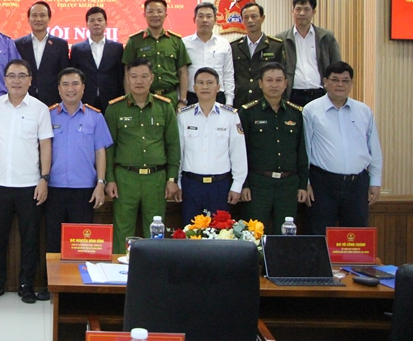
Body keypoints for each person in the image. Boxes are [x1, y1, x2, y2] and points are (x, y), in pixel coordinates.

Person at [0, 59, 52, 304]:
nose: (16, 80)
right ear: (4, 80)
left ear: (30, 80)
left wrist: (44, 178)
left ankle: (26, 285)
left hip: (29, 185)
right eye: (11, 76)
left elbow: (45, 146)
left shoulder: (40, 109)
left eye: (22, 76)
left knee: (30, 240)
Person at [105, 58, 180, 246]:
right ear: (127, 79)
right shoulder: (115, 108)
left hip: (156, 179)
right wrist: (110, 179)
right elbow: (108, 148)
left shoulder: (165, 107)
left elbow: (173, 145)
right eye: (134, 76)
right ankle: (121, 266)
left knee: (155, 233)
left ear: (152, 78)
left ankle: (152, 266)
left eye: (144, 76)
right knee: (122, 231)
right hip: (125, 178)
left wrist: (172, 178)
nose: (139, 81)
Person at [302, 61, 382, 235]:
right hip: (322, 184)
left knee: (357, 237)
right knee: (319, 235)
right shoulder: (311, 110)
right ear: (325, 82)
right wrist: (305, 182)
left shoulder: (364, 111)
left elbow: (374, 149)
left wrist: (375, 181)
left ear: (351, 83)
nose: (340, 85)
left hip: (357, 184)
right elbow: (305, 150)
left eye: (345, 81)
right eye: (335, 80)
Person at [46, 68, 112, 253]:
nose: (70, 89)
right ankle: (53, 274)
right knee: (53, 243)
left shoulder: (96, 117)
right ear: (59, 89)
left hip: (84, 190)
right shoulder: (48, 115)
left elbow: (100, 152)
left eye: (75, 84)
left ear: (83, 88)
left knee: (81, 245)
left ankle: (79, 274)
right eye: (65, 84)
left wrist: (100, 183)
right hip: (54, 189)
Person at [239, 62, 308, 234]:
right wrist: (243, 184)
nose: (274, 85)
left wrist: (303, 184)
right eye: (269, 80)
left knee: (285, 237)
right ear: (260, 83)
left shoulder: (296, 113)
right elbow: (240, 152)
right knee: (253, 234)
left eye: (278, 80)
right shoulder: (248, 112)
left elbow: (301, 151)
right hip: (258, 184)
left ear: (285, 83)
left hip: (288, 186)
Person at [177, 67, 247, 224]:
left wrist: (237, 185)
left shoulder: (230, 116)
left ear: (218, 87)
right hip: (191, 185)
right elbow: (179, 153)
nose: (205, 87)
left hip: (219, 186)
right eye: (200, 83)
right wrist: (178, 182)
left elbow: (238, 153)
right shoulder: (184, 116)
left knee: (220, 233)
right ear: (194, 87)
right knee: (190, 232)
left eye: (210, 83)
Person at [122, 0, 190, 110]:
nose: (155, 15)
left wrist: (182, 100)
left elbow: (183, 72)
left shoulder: (175, 41)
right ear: (144, 15)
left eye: (159, 11)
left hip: (170, 98)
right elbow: (127, 72)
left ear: (165, 15)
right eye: (150, 11)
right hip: (142, 98)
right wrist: (130, 99)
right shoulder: (135, 41)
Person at [276, 0, 341, 107]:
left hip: (320, 93)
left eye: (306, 9)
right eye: (298, 9)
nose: (302, 13)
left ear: (313, 12)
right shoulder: (281, 39)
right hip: (292, 94)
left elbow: (336, 66)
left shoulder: (326, 37)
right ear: (292, 11)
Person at [14, 1, 70, 107]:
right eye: (34, 15)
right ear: (28, 19)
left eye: (42, 15)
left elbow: (64, 74)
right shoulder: (18, 44)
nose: (38, 19)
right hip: (24, 98)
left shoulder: (60, 45)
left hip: (52, 100)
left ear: (49, 18)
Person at [69, 6, 124, 114]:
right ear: (87, 24)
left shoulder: (117, 48)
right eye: (92, 20)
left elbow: (120, 75)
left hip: (111, 100)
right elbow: (73, 75)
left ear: (106, 23)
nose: (96, 23)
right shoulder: (77, 49)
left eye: (99, 20)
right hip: (85, 100)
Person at [232, 3, 286, 108]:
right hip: (240, 101)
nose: (250, 20)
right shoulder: (234, 46)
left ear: (262, 18)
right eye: (246, 17)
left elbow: (283, 75)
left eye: (254, 16)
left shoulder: (276, 46)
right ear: (242, 20)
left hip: (266, 102)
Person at [183, 2, 234, 106]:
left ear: (215, 20)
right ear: (194, 19)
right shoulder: (184, 43)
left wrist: (229, 101)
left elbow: (228, 74)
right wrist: (181, 99)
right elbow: (181, 74)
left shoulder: (224, 44)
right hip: (192, 97)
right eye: (201, 16)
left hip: (218, 97)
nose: (204, 20)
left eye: (209, 16)